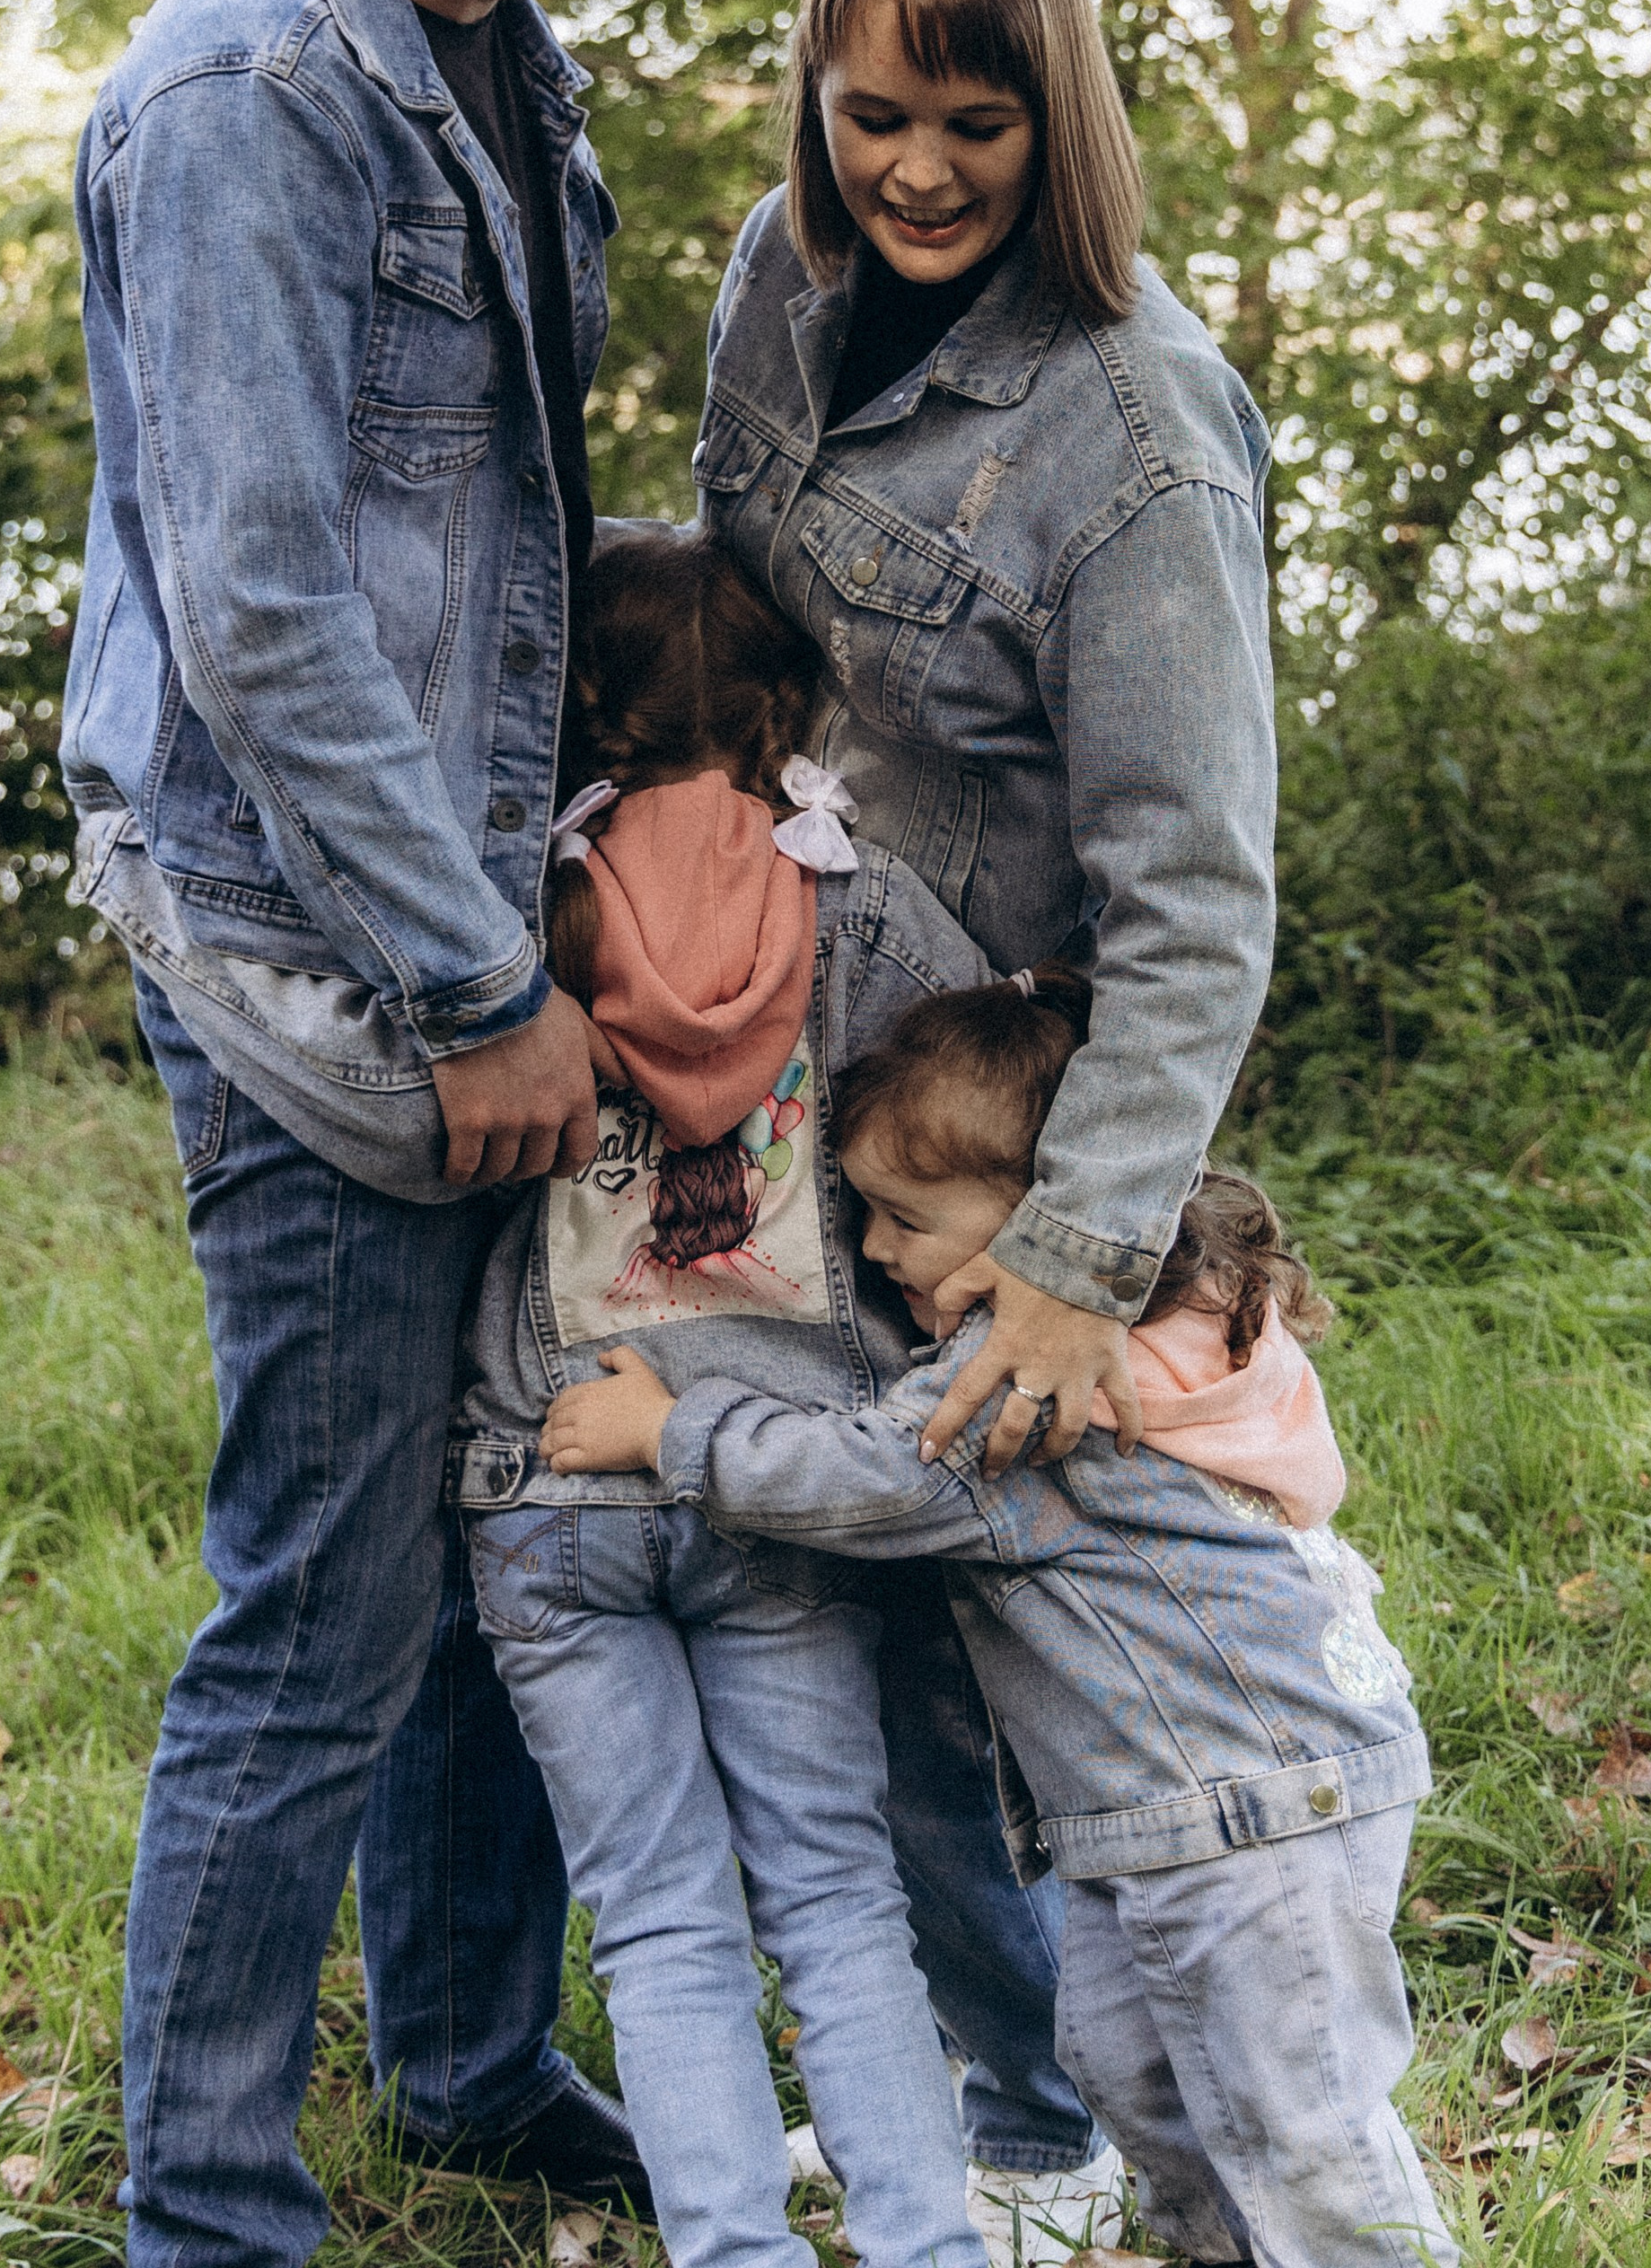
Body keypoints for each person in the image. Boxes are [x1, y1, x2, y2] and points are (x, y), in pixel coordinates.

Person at [62, 0, 762, 2268]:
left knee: (500, 1555)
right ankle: (208, 2209)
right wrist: (478, 986)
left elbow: (499, 549)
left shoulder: (509, 69)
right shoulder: (250, 95)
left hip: (490, 947)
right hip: (319, 963)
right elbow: (256, 608)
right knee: (327, 1608)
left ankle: (470, 2070)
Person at [544, 971, 1457, 2268]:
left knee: (1297, 2115)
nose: (874, 1250)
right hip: (1188, 1806)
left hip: (1250, 1803)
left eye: (907, 1219)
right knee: (1130, 2069)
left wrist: (671, 1430)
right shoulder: (1161, 1316)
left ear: (1045, 1219)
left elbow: (875, 1476)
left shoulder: (1029, 1385)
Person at [693, 0, 1279, 1486]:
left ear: (1060, 116)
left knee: (956, 1562)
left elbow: (1196, 900)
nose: (920, 174)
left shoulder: (1140, 441)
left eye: (978, 126)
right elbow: (737, 629)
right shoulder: (780, 270)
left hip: (964, 1140)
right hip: (752, 1047)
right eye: (873, 117)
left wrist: (1076, 1257)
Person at [450, 525, 990, 2268]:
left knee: (658, 1927)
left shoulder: (508, 916)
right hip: (783, 1476)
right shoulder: (862, 906)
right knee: (839, 1905)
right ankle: (926, 2248)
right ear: (783, 709)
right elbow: (989, 1109)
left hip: (549, 1480)